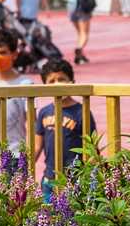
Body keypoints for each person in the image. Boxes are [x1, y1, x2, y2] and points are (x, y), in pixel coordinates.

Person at [33, 58, 95, 203]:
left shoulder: (82, 111)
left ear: (72, 81)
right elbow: (37, 145)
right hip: (49, 179)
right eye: (52, 81)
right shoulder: (44, 112)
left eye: (62, 79)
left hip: (74, 179)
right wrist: (25, 168)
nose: (57, 84)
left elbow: (91, 148)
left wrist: (90, 176)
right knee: (49, 220)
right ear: (45, 86)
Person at [0, 30, 34, 153]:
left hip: (15, 152)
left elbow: (31, 124)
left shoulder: (25, 84)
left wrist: (29, 154)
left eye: (3, 52)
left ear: (14, 54)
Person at [63, 0, 92, 65]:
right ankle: (79, 49)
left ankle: (81, 56)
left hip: (71, 6)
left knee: (79, 32)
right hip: (82, 6)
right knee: (85, 33)